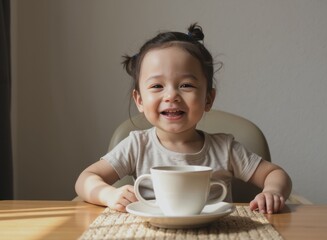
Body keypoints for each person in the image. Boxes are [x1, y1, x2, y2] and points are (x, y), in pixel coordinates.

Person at [75, 23, 292, 214]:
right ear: (139, 100)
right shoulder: (137, 146)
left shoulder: (225, 148)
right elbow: (85, 179)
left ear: (208, 98)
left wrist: (272, 192)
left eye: (186, 85)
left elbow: (276, 174)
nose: (171, 96)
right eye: (157, 86)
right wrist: (107, 195)